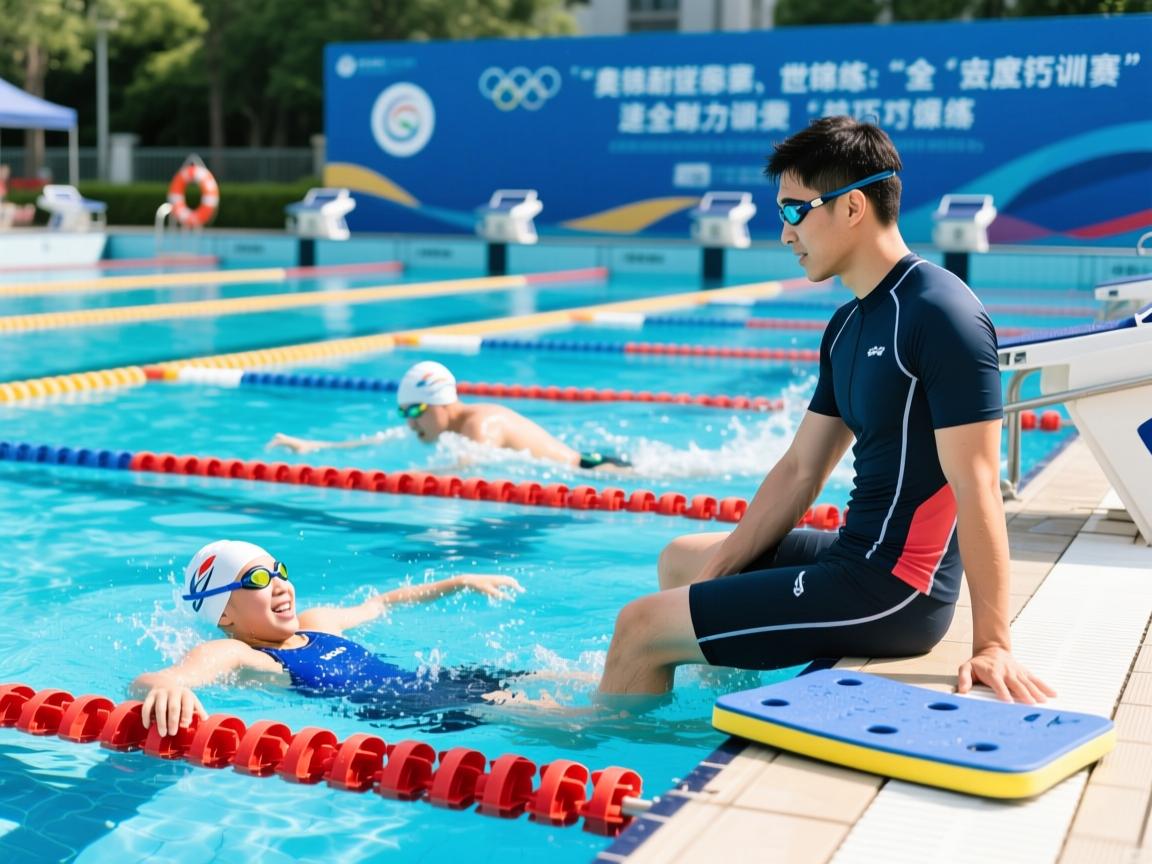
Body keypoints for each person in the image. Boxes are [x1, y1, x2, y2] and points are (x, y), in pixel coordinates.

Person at [597, 116, 1055, 705]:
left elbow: (979, 483)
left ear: (853, 206)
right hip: (855, 554)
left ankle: (603, 746)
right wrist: (719, 572)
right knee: (684, 560)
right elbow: (799, 471)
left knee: (639, 628)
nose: (784, 233)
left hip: (897, 588)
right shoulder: (847, 324)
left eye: (793, 210)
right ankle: (718, 702)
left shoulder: (941, 316)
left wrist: (993, 643)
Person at [131, 539, 529, 736]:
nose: (279, 584)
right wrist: (167, 688)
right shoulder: (243, 654)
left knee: (551, 681)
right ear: (224, 614)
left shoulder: (317, 622)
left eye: (279, 570)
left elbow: (381, 603)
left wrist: (458, 581)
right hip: (418, 710)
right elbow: (158, 679)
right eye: (256, 579)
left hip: (441, 680)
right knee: (582, 725)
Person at [269, 360, 632, 471]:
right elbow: (383, 438)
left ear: (441, 404)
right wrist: (314, 446)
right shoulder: (448, 426)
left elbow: (468, 465)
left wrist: (411, 475)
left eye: (414, 411)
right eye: (403, 412)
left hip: (597, 473)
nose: (409, 422)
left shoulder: (479, 424)